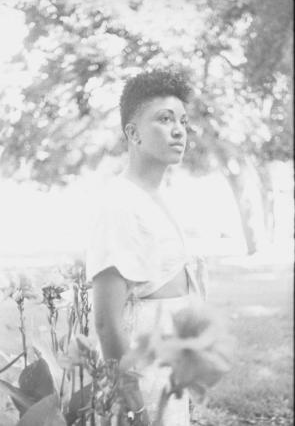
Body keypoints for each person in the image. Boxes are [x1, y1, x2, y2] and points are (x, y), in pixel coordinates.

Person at [86, 68, 207, 425]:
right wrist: (133, 405)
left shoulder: (162, 198)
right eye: (164, 119)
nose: (178, 130)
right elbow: (107, 323)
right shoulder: (118, 204)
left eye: (183, 121)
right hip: (141, 373)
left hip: (170, 364)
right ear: (133, 134)